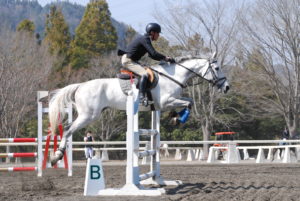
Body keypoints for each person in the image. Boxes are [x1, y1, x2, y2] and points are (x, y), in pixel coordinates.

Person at [119, 23, 175, 106]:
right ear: (152, 33)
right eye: (158, 33)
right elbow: (153, 53)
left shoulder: (145, 39)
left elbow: (151, 55)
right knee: (145, 74)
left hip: (132, 60)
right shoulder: (145, 39)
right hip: (128, 60)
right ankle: (141, 98)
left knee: (148, 70)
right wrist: (165, 58)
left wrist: (164, 59)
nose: (158, 35)